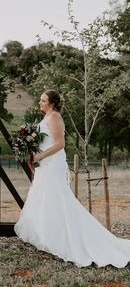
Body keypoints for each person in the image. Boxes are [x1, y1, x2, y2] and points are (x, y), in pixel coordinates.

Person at [14, 89, 130, 268]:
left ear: (51, 103)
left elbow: (60, 144)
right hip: (45, 165)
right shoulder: (47, 117)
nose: (40, 102)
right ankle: (49, 236)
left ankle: (69, 239)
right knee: (45, 200)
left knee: (58, 201)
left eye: (43, 100)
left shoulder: (54, 117)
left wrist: (39, 156)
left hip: (52, 165)